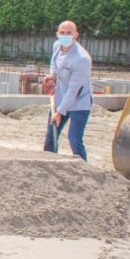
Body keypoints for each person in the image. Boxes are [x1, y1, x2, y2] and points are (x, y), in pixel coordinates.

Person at [43, 20, 93, 161]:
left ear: (76, 35)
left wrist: (59, 113)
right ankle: (48, 163)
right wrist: (52, 75)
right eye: (62, 33)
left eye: (69, 33)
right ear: (57, 34)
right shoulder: (57, 46)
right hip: (60, 97)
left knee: (74, 138)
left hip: (79, 102)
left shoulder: (82, 59)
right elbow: (54, 63)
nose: (65, 36)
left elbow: (74, 90)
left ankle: (83, 167)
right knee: (51, 135)